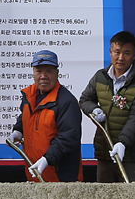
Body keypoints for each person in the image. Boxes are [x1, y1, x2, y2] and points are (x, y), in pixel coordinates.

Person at [79, 31, 135, 183]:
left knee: (131, 196)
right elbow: (85, 99)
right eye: (117, 52)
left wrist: (122, 143)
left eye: (126, 53)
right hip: (105, 153)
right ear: (110, 52)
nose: (121, 58)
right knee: (105, 196)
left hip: (131, 155)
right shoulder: (100, 76)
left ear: (134, 55)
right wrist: (94, 110)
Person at [9, 49, 82, 182]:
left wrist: (47, 159)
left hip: (60, 176)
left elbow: (68, 137)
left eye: (49, 71)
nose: (43, 76)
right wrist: (18, 131)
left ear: (57, 73)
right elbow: (26, 116)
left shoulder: (67, 102)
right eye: (39, 71)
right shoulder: (29, 96)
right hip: (34, 172)